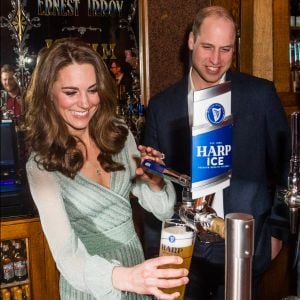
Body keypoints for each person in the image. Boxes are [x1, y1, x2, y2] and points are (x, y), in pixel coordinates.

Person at [142, 5, 291, 300]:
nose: (215, 60)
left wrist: (276, 233)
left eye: (225, 49)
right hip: (185, 249)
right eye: (208, 47)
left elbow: (288, 167)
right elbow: (153, 185)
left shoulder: (259, 96)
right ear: (191, 41)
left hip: (243, 245)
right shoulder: (162, 106)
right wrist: (154, 251)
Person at [24, 37, 189, 300]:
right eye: (71, 92)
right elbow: (66, 256)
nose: (85, 103)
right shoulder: (41, 165)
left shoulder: (119, 134)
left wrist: (155, 182)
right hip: (89, 283)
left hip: (136, 269)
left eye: (92, 89)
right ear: (49, 93)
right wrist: (126, 277)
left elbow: (163, 211)